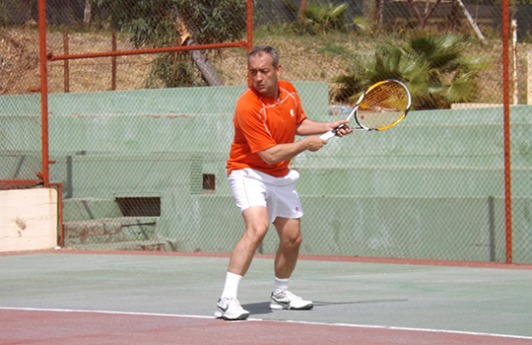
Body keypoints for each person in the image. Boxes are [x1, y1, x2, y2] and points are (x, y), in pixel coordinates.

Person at [215, 45, 351, 320]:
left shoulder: (288, 91)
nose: (258, 78)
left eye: (264, 71)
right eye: (253, 72)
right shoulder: (247, 105)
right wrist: (304, 146)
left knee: (292, 238)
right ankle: (226, 300)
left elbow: (298, 123)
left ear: (278, 70)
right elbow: (268, 153)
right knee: (257, 227)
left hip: (279, 175)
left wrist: (327, 127)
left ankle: (280, 294)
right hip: (248, 171)